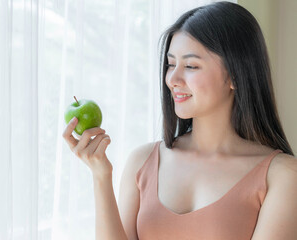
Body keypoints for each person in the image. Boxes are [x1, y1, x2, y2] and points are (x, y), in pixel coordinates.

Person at [63, 1, 297, 239]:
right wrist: (100, 175)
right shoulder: (142, 162)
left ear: (235, 76)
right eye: (171, 64)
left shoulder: (282, 176)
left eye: (191, 66)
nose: (172, 79)